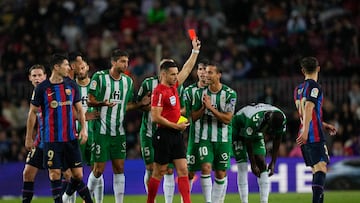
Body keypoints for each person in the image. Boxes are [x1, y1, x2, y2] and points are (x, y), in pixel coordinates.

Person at [25, 53, 93, 203]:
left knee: (77, 176)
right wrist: (28, 137)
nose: (69, 67)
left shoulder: (71, 85)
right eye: (66, 65)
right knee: (55, 173)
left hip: (70, 138)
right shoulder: (42, 88)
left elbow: (80, 110)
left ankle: (74, 198)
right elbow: (32, 113)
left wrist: (84, 129)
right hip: (51, 139)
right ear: (57, 67)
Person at [87, 49, 150, 203]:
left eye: (127, 62)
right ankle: (86, 198)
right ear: (113, 62)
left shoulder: (127, 82)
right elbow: (90, 99)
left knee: (120, 168)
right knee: (98, 169)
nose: (126, 64)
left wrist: (140, 104)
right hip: (100, 130)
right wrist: (103, 103)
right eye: (122, 61)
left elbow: (125, 105)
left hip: (118, 131)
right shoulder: (100, 77)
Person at [147, 37, 201, 203]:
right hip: (163, 135)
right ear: (163, 74)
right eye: (172, 75)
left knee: (183, 170)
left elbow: (187, 68)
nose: (176, 77)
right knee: (159, 172)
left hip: (176, 135)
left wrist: (195, 51)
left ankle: (187, 202)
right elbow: (155, 117)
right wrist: (175, 126)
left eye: (176, 74)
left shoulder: (174, 86)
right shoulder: (158, 92)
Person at [191, 62, 237, 203]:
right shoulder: (200, 93)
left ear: (219, 75)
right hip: (205, 137)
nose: (206, 75)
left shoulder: (230, 94)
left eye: (210, 72)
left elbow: (228, 119)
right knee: (205, 167)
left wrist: (211, 108)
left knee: (220, 173)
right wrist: (203, 109)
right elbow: (193, 117)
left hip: (223, 139)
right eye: (205, 72)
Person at [294, 56, 337, 203]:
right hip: (312, 134)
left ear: (302, 71)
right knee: (321, 168)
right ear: (318, 68)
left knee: (316, 169)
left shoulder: (298, 90)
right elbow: (308, 108)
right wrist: (307, 131)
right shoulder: (314, 87)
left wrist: (323, 124)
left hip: (306, 131)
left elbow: (305, 112)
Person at [232, 103, 287, 203]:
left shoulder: (281, 118)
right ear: (269, 119)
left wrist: (273, 163)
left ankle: (264, 201)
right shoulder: (255, 119)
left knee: (262, 162)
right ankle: (244, 201)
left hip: (256, 131)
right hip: (238, 130)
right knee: (243, 166)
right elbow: (248, 141)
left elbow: (278, 138)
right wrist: (253, 164)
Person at [73, 59, 103, 203]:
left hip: (95, 133)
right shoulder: (70, 87)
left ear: (87, 67)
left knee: (97, 169)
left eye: (83, 67)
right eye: (78, 68)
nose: (80, 70)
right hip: (74, 134)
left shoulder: (96, 85)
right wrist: (84, 117)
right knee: (73, 173)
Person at [22, 64, 47, 203]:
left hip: (55, 140)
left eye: (39, 75)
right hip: (40, 140)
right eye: (34, 76)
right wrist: (29, 137)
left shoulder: (50, 92)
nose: (37, 78)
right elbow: (33, 116)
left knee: (69, 175)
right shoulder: (35, 93)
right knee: (28, 173)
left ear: (45, 76)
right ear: (30, 78)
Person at [182, 59, 208, 192]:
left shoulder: (218, 90)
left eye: (205, 69)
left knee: (217, 171)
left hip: (214, 138)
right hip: (195, 137)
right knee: (190, 172)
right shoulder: (189, 91)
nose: (203, 73)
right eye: (200, 69)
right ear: (196, 72)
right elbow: (188, 117)